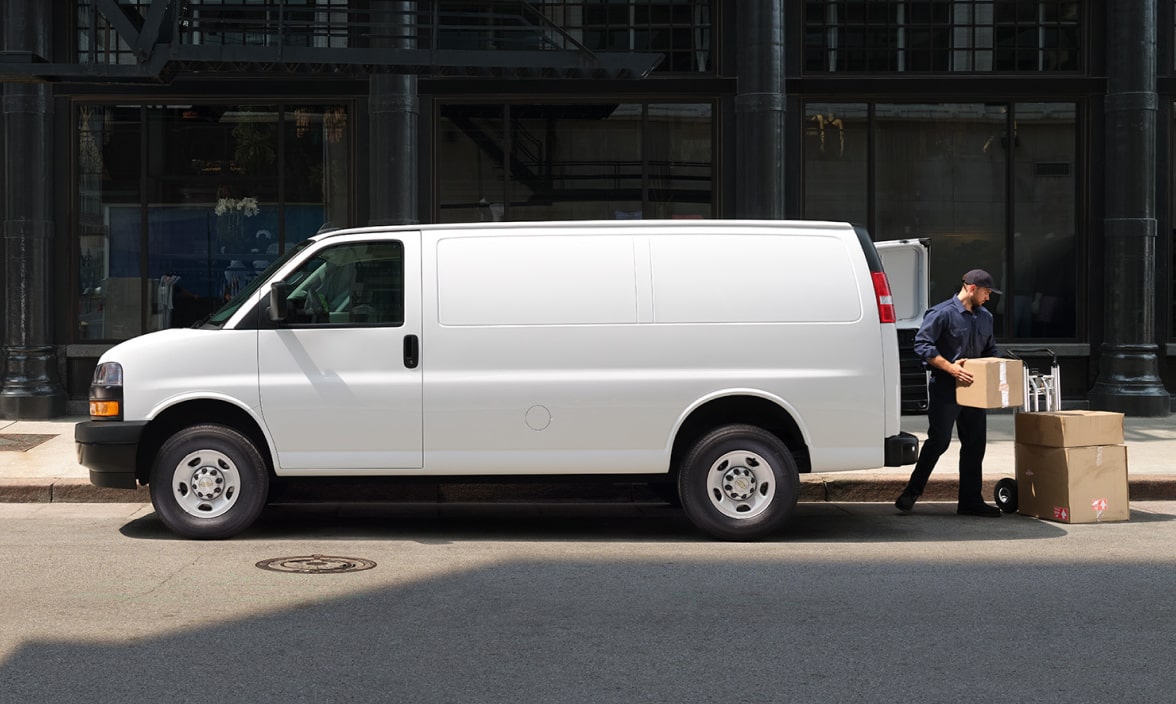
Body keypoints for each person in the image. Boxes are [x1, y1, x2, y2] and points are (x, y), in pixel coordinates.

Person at [895, 269, 1004, 517]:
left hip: (975, 389)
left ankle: (970, 502)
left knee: (975, 444)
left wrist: (995, 373)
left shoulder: (985, 317)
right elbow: (922, 344)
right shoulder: (942, 313)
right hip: (946, 387)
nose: (989, 298)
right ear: (972, 288)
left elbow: (991, 351)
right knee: (939, 441)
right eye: (987, 292)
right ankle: (911, 493)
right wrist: (951, 368)